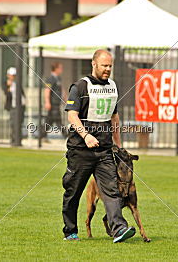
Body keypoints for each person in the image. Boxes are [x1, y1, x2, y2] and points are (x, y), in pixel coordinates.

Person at [62, 49, 136, 243]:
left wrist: (118, 146)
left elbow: (114, 117)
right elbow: (71, 115)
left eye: (110, 66)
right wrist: (85, 135)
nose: (107, 69)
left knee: (112, 191)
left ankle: (119, 229)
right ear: (94, 64)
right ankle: (70, 231)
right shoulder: (80, 87)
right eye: (104, 65)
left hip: (104, 150)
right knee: (73, 192)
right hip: (80, 150)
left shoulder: (112, 86)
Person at [43, 62, 67, 140]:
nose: (61, 70)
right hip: (53, 103)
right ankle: (66, 135)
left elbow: (62, 90)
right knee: (58, 120)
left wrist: (65, 99)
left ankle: (41, 136)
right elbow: (47, 90)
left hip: (57, 103)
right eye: (60, 68)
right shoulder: (50, 79)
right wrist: (47, 102)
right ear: (56, 69)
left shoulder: (58, 78)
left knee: (49, 121)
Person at [2, 67, 26, 145]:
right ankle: (13, 139)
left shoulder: (18, 83)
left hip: (20, 106)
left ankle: (18, 139)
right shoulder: (6, 83)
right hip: (13, 106)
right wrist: (9, 86)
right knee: (13, 123)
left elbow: (22, 94)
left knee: (19, 123)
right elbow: (7, 94)